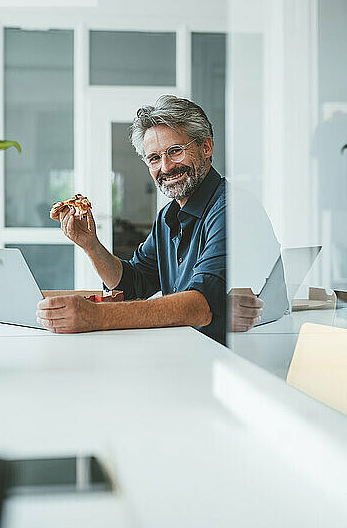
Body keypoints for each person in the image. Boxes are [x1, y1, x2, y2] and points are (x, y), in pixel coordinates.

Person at [36, 96, 262, 343]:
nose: (165, 167)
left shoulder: (232, 208)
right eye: (154, 158)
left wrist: (97, 316)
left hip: (233, 362)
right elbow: (131, 284)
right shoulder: (168, 216)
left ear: (206, 147)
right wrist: (91, 245)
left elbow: (202, 304)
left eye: (175, 151)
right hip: (190, 352)